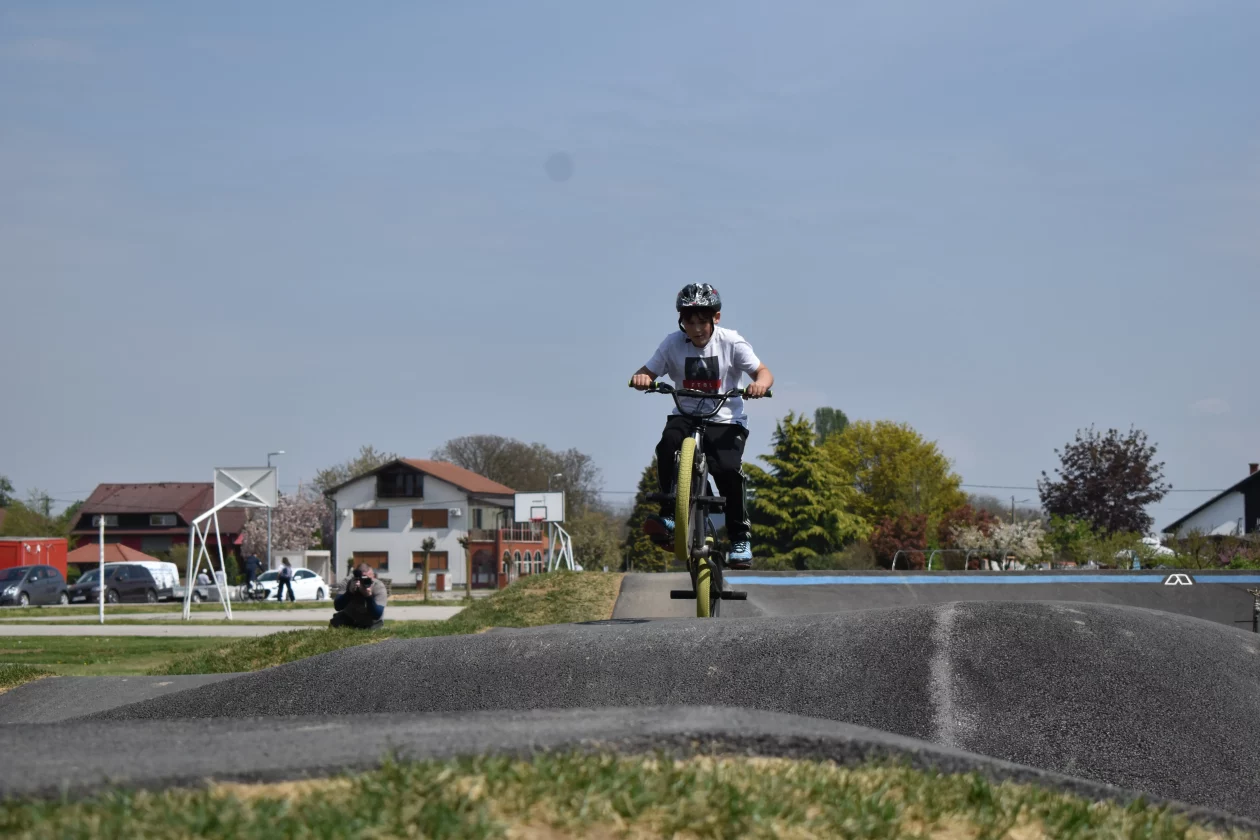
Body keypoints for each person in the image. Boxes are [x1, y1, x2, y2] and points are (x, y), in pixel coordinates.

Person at [629, 283, 773, 569]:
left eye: (702, 321)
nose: (695, 328)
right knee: (667, 445)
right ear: (681, 320)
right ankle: (672, 512)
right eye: (689, 321)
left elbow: (763, 372)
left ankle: (739, 538)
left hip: (726, 418)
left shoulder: (731, 342)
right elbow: (646, 371)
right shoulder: (672, 343)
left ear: (715, 319)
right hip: (685, 413)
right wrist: (641, 378)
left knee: (728, 470)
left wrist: (759, 385)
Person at [330, 563, 388, 629]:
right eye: (362, 579)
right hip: (350, 617)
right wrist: (349, 592)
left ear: (373, 576)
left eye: (368, 579)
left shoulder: (378, 586)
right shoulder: (348, 582)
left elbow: (377, 615)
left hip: (371, 621)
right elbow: (338, 606)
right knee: (335, 622)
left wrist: (368, 597)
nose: (365, 582)